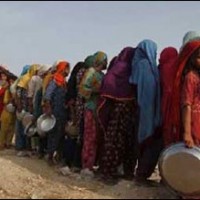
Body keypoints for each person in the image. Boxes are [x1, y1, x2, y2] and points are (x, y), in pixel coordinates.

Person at [97, 47, 138, 184]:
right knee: (116, 141)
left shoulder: (120, 66)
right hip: (121, 111)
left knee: (115, 141)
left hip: (119, 110)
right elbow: (110, 81)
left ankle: (109, 171)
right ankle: (107, 173)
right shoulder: (124, 67)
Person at [129, 39, 162, 183]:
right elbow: (145, 91)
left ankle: (140, 174)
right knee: (147, 140)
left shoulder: (144, 65)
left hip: (143, 109)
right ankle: (140, 175)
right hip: (144, 110)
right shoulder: (144, 65)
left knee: (144, 141)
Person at [79, 51, 107, 177]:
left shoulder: (101, 74)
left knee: (95, 137)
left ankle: (91, 163)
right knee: (89, 137)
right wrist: (96, 90)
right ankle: (86, 165)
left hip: (99, 109)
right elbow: (82, 89)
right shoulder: (91, 72)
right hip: (91, 107)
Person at [43, 61, 70, 165]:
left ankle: (57, 156)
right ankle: (50, 156)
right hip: (55, 110)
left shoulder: (63, 82)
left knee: (61, 134)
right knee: (54, 133)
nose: (68, 71)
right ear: (62, 69)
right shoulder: (55, 80)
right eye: (67, 68)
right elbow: (48, 95)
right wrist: (48, 108)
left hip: (62, 111)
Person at [158, 47, 178, 147]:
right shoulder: (179, 65)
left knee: (167, 127)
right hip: (178, 101)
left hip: (165, 101)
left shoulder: (162, 68)